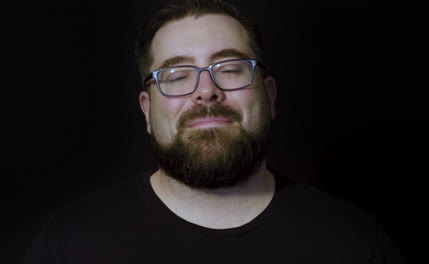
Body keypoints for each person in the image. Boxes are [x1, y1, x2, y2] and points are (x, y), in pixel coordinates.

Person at [21, 0, 405, 263]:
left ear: (269, 96)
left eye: (231, 69)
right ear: (147, 111)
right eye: (176, 75)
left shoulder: (354, 240)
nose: (206, 90)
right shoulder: (70, 243)